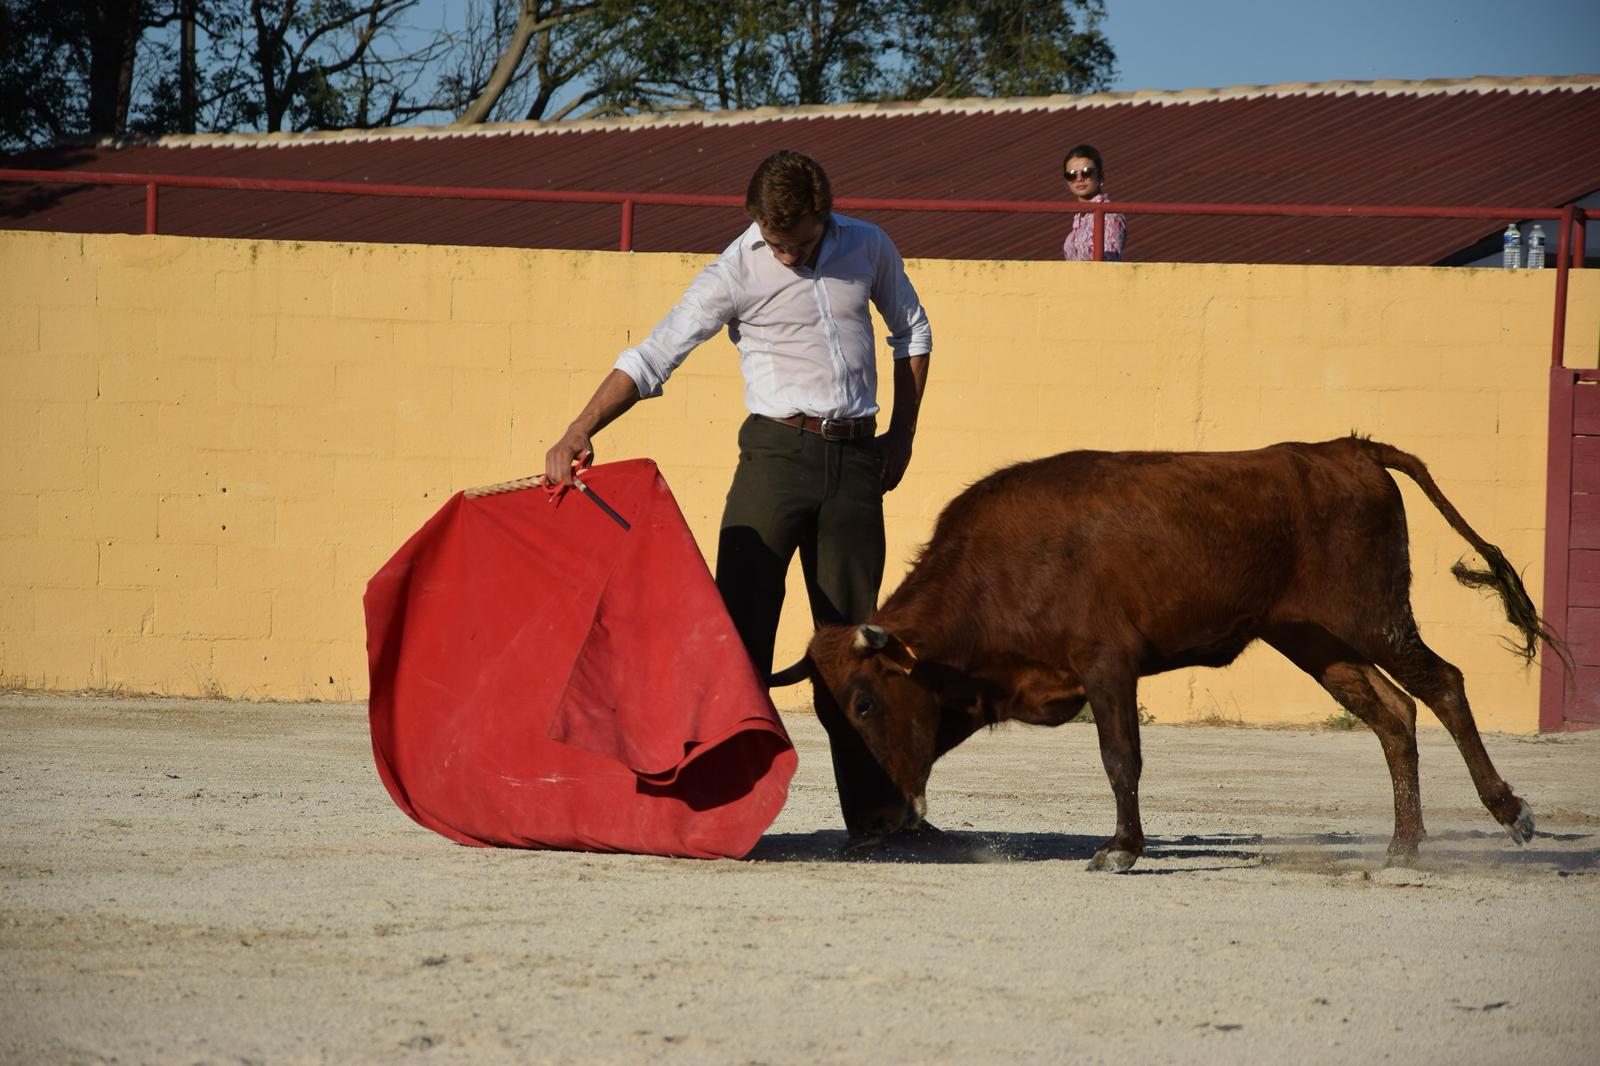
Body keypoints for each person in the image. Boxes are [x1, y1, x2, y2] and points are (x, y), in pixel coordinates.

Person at [542, 149, 933, 837]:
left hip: (856, 461)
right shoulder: (735, 269)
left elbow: (912, 330)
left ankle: (883, 819)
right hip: (774, 459)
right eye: (775, 243)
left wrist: (901, 435)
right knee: (738, 636)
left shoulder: (867, 245)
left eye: (799, 243)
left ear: (823, 215)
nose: (786, 256)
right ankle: (719, 816)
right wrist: (580, 427)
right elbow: (653, 356)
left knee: (858, 648)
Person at [1061, 143, 1126, 261]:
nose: (1079, 179)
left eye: (1086, 172)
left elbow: (1109, 262)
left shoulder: (1109, 214)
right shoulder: (1080, 216)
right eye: (1071, 175)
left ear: (1100, 176)